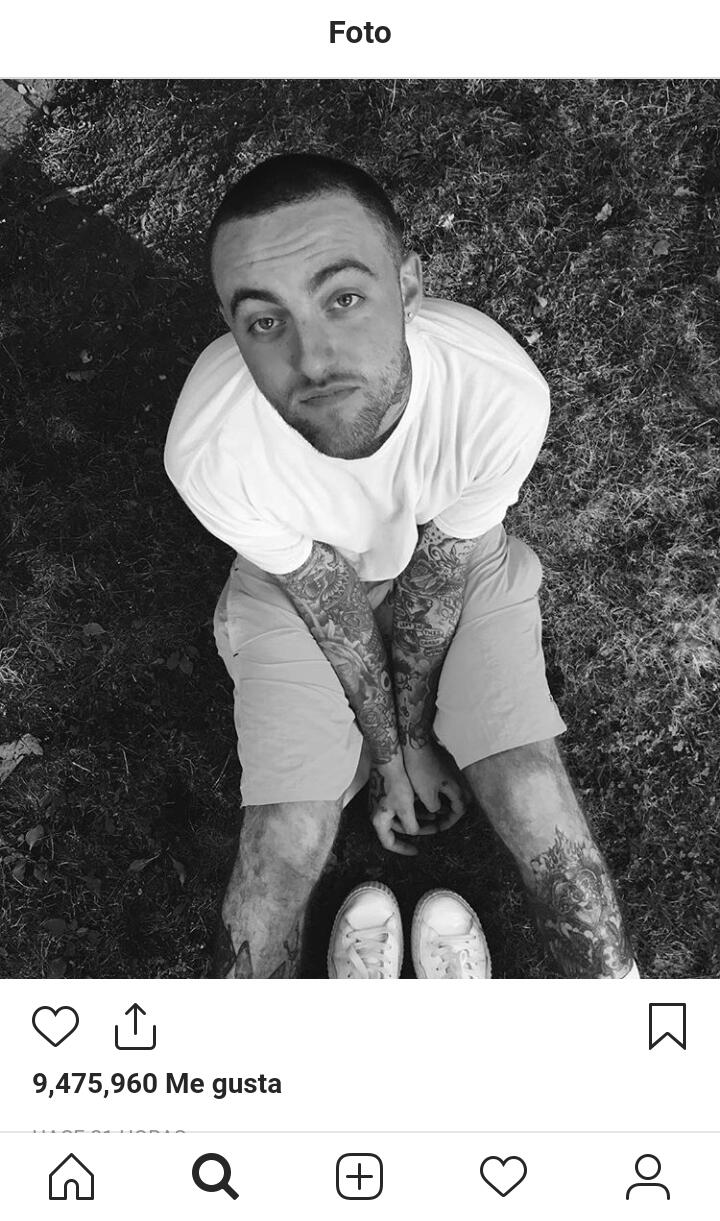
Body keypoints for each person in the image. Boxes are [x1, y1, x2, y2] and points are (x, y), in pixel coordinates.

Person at [164, 151, 640, 980]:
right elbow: (318, 589)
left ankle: (627, 1018)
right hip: (291, 587)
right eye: (265, 321)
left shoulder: (499, 393)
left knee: (530, 789)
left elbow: (443, 570)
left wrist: (414, 738)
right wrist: (392, 757)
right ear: (230, 328)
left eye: (343, 299)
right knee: (284, 835)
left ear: (410, 286)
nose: (313, 359)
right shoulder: (209, 449)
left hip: (453, 558)